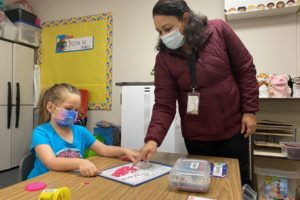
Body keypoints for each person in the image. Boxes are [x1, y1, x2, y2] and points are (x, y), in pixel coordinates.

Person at [140, 0, 259, 186]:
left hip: (234, 128)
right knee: (201, 184)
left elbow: (245, 70)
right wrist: (153, 139)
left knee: (236, 183)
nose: (164, 36)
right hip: (197, 135)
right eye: (159, 31)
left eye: (167, 28)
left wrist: (250, 111)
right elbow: (164, 105)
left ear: (185, 19)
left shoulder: (219, 30)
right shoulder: (164, 59)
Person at [28, 83, 140, 179]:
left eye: (76, 110)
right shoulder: (41, 132)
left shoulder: (80, 131)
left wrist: (125, 150)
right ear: (51, 107)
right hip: (43, 184)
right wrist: (80, 162)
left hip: (67, 181)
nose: (73, 113)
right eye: (68, 108)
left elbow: (104, 149)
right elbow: (50, 162)